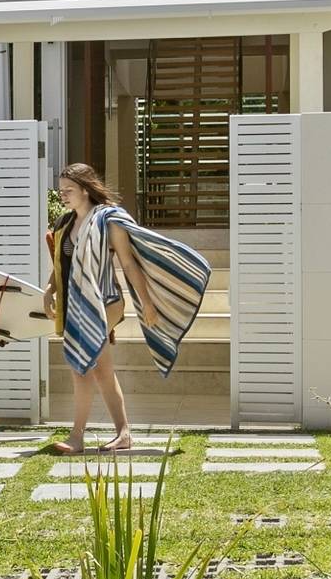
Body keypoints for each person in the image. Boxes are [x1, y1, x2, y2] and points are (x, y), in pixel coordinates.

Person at [44, 163, 209, 454]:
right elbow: (61, 264)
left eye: (69, 190)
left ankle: (76, 437)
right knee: (102, 371)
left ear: (85, 190)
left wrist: (147, 303)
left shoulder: (109, 219)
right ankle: (124, 434)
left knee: (80, 366)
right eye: (61, 191)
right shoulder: (65, 223)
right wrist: (50, 290)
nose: (63, 196)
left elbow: (129, 264)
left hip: (106, 301)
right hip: (77, 303)